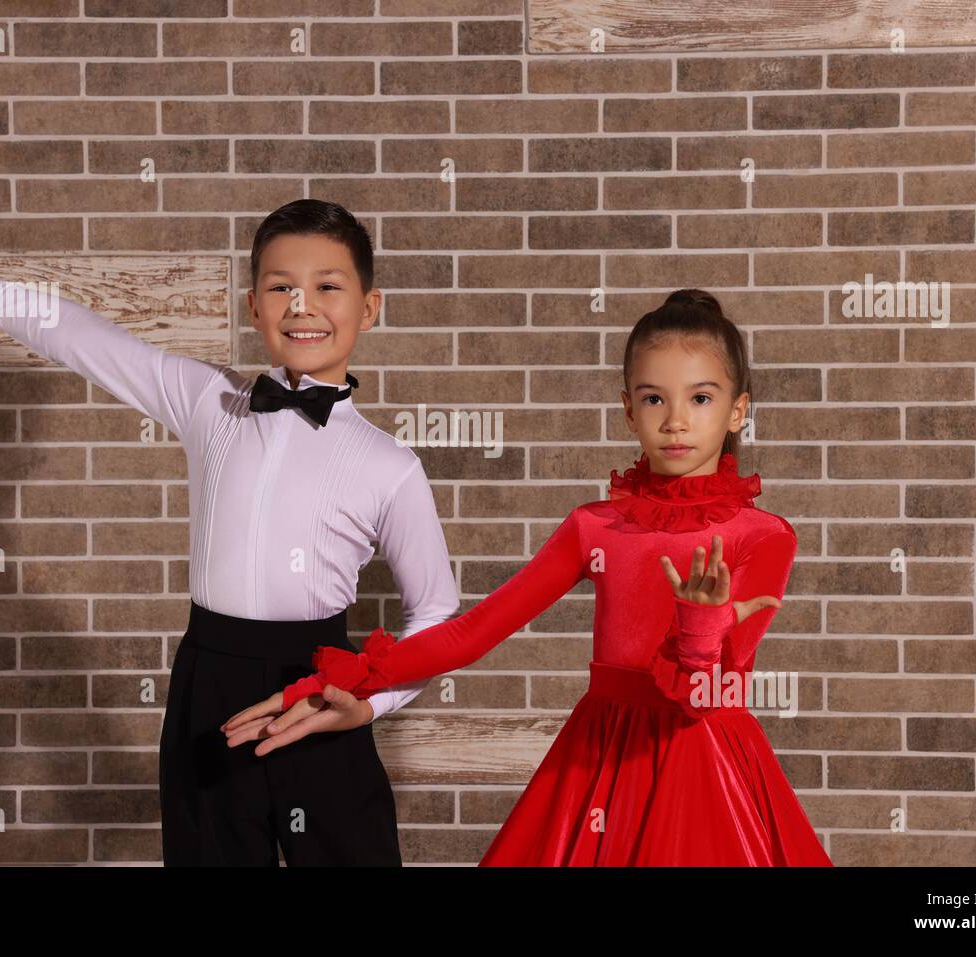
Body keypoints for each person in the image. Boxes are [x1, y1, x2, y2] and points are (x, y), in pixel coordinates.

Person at [0, 198, 459, 866]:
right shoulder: (208, 401)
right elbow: (77, 334)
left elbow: (436, 610)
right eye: (281, 286)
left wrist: (370, 704)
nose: (301, 305)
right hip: (209, 685)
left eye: (327, 287)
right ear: (253, 306)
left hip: (320, 687)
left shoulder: (390, 466)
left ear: (369, 307)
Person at [224, 289, 833, 866]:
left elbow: (703, 693)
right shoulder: (595, 527)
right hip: (602, 755)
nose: (675, 420)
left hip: (704, 765)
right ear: (627, 408)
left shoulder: (764, 536)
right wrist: (346, 680)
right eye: (653, 398)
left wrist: (700, 626)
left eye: (700, 399)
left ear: (737, 410)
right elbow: (473, 632)